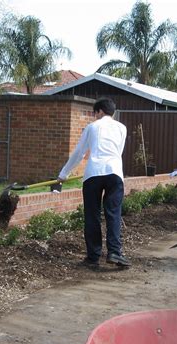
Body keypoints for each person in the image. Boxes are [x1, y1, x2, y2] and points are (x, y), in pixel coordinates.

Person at [57, 98, 130, 267]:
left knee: (92, 215)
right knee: (113, 214)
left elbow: (79, 153)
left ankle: (93, 257)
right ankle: (114, 252)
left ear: (100, 111)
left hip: (93, 174)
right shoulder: (122, 128)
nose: (94, 116)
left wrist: (63, 174)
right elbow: (118, 152)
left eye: (94, 113)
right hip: (115, 173)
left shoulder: (92, 127)